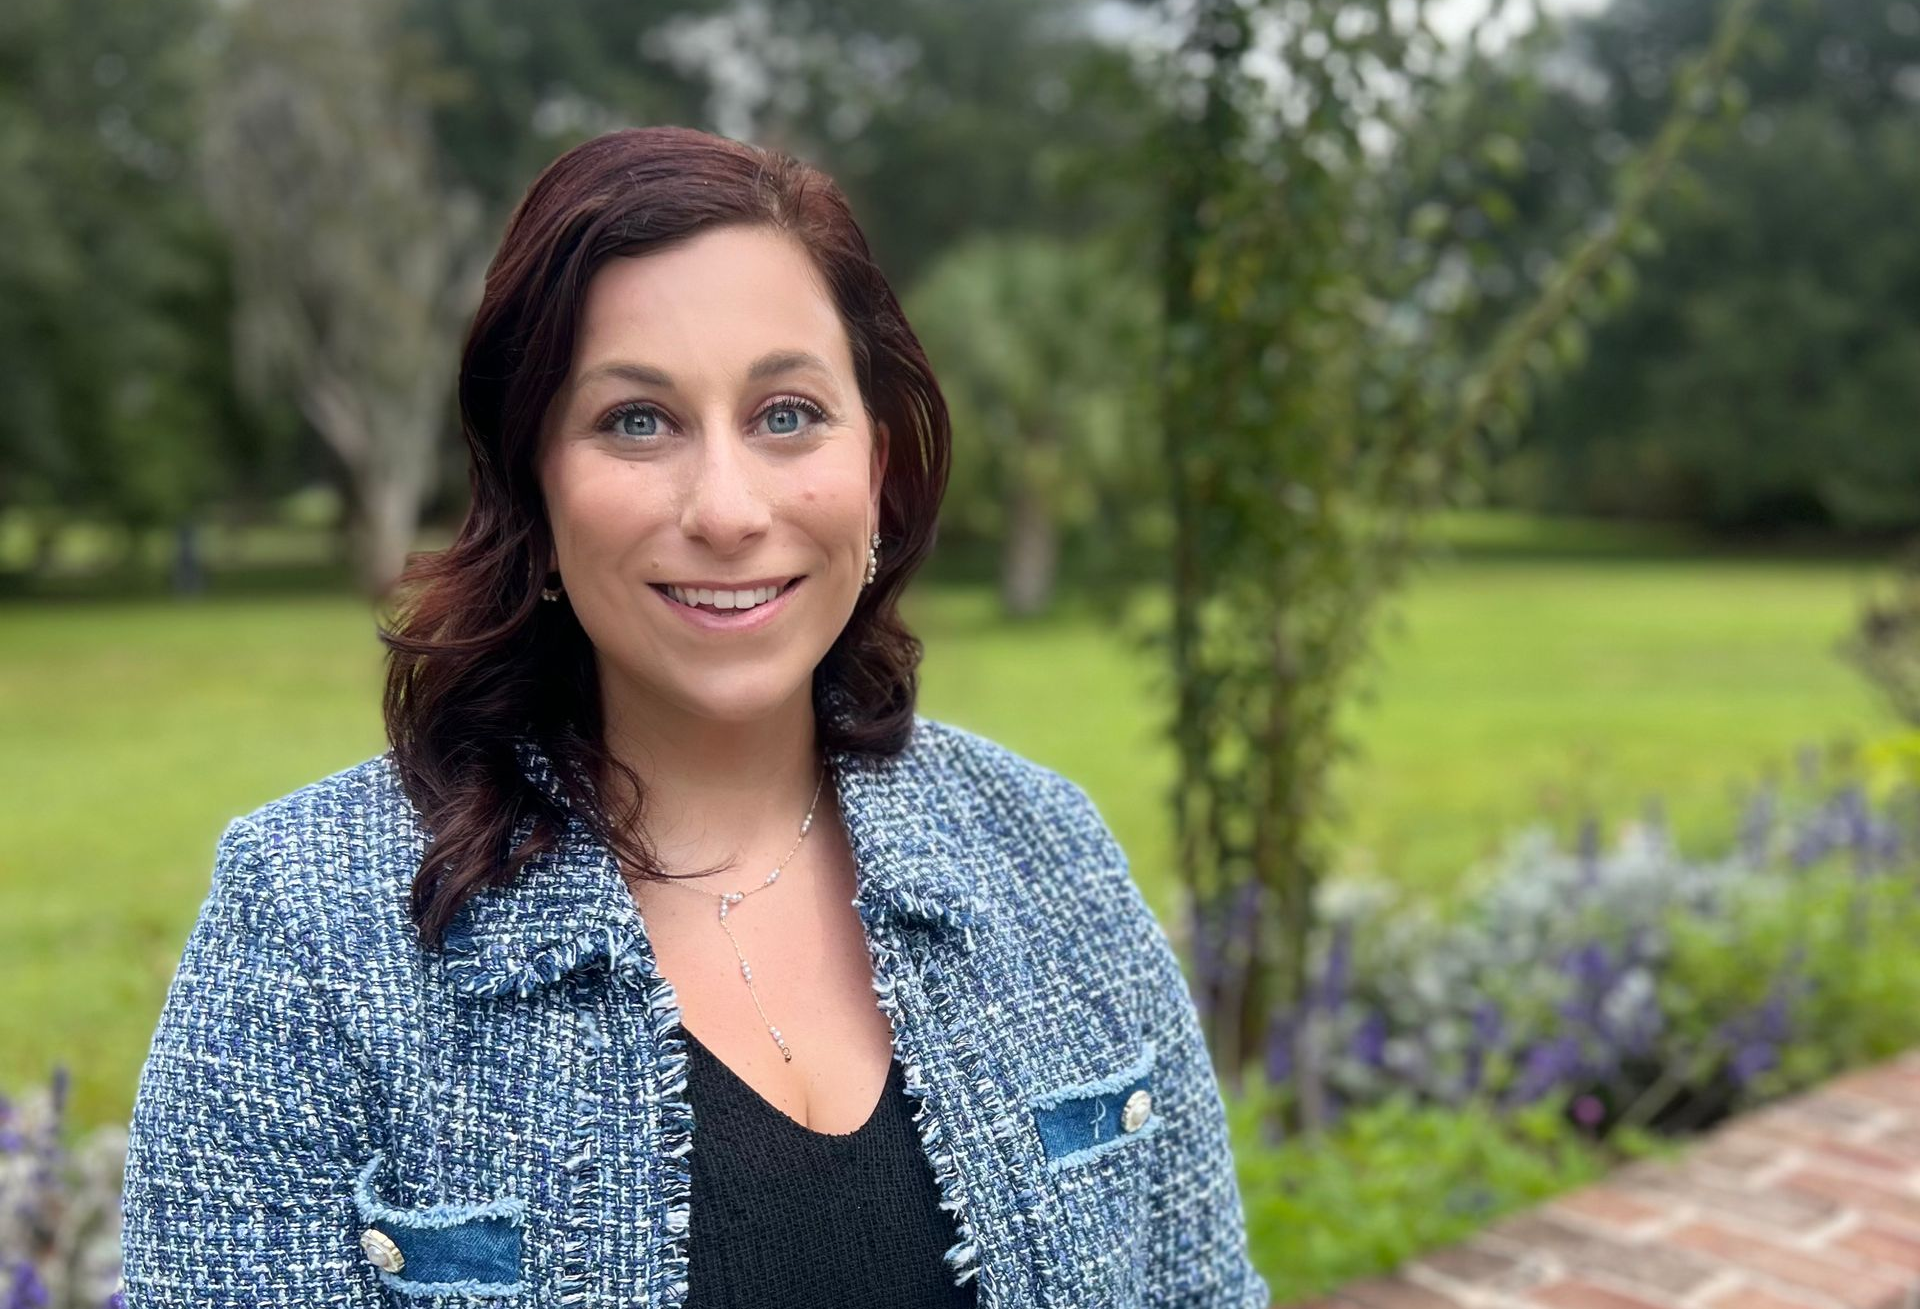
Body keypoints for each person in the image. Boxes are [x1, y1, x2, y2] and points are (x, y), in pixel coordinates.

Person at [118, 125, 1269, 1309]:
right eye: (636, 421)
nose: (726, 509)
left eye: (785, 414)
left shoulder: (1047, 851)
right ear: (536, 487)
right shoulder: (311, 925)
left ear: (873, 466)